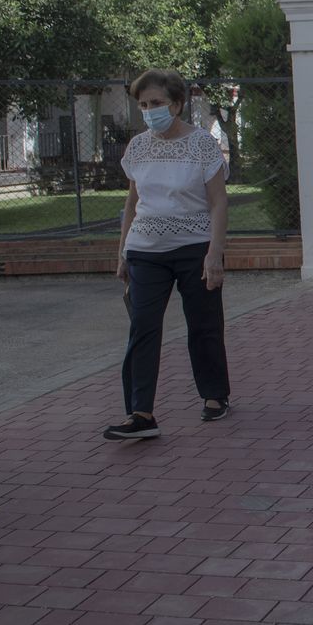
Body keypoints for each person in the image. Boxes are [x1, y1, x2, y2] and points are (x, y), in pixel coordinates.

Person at [106, 69, 232, 441]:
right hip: (146, 250)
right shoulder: (139, 146)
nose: (149, 111)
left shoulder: (201, 145)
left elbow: (218, 201)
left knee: (203, 325)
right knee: (143, 326)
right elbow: (132, 202)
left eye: (157, 103)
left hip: (194, 247)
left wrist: (215, 253)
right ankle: (140, 413)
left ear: (176, 105)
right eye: (143, 105)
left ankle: (214, 395)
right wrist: (122, 252)